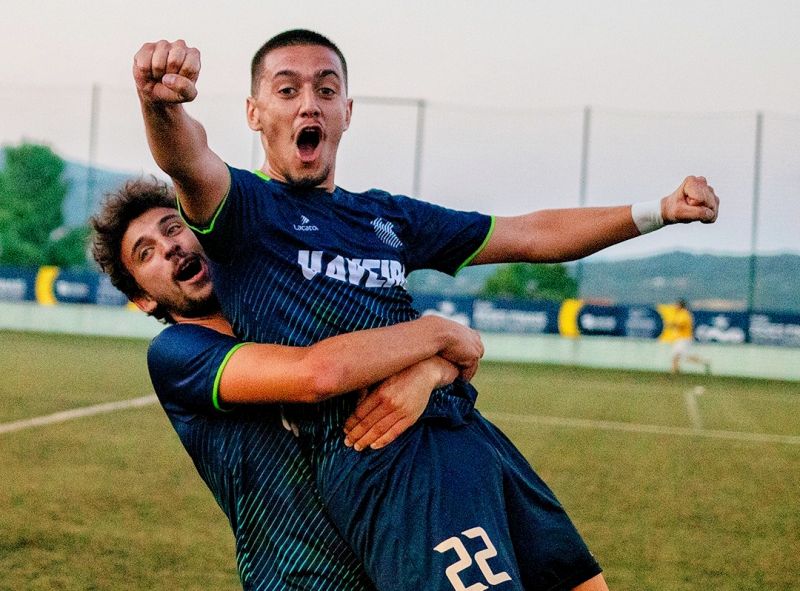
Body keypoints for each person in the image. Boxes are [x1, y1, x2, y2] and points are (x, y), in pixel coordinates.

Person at [132, 30, 719, 591]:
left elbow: (529, 233)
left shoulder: (386, 215)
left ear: (347, 112)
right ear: (255, 113)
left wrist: (658, 210)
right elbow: (187, 159)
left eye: (326, 90)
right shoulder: (244, 209)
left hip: (468, 431)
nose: (309, 103)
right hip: (383, 452)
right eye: (287, 90)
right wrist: (160, 106)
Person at [90, 178, 485, 591]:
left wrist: (430, 373)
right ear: (143, 299)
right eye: (146, 252)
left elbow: (382, 356)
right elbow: (317, 375)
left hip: (388, 565)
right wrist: (436, 333)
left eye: (173, 228)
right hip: (297, 579)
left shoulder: (283, 316)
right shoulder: (176, 353)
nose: (170, 247)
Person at [664, 299, 711, 374]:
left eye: (676, 304)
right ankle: (675, 371)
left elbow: (681, 324)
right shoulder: (679, 313)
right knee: (680, 356)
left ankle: (705, 361)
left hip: (684, 338)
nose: (675, 306)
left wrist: (672, 324)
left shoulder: (685, 314)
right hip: (680, 338)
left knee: (679, 356)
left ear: (680, 305)